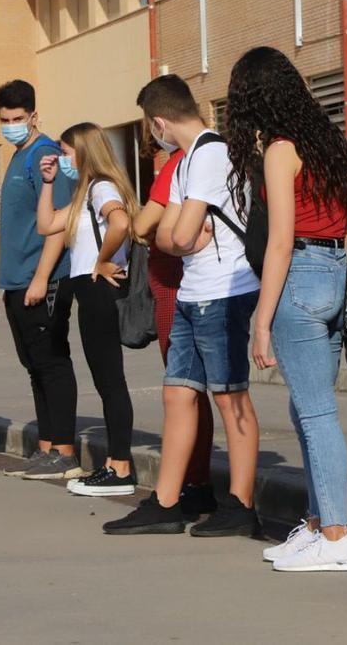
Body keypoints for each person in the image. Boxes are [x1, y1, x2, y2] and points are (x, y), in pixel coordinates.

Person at [103, 75, 262, 536]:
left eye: (150, 128)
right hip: (194, 291)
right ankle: (167, 502)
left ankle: (240, 504)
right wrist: (179, 239)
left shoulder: (211, 153)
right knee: (178, 393)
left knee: (230, 396)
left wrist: (178, 239)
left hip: (223, 291)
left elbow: (177, 233)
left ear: (159, 121)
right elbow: (169, 235)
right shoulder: (186, 159)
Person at [224, 46, 347, 572]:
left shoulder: (281, 149)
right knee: (309, 407)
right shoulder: (330, 142)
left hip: (298, 277)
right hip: (334, 274)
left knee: (316, 411)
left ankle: (335, 536)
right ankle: (314, 522)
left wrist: (262, 321)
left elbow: (280, 240)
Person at [35, 123, 139, 496]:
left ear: (82, 151)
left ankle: (120, 467)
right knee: (105, 380)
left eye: (65, 152)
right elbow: (46, 224)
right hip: (90, 291)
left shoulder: (101, 187)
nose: (62, 159)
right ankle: (115, 463)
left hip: (99, 290)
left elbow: (121, 222)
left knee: (110, 381)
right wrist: (47, 182)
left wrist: (102, 260)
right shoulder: (85, 191)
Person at [0, 80, 84, 481]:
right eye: (4, 119)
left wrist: (41, 278)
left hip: (41, 280)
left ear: (33, 115)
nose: (11, 124)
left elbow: (60, 224)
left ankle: (64, 450)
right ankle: (47, 447)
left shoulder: (45, 155)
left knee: (51, 362)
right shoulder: (19, 155)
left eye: (18, 118)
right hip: (18, 280)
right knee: (34, 364)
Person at [133, 141, 218, 520]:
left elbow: (141, 224)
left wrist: (153, 232)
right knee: (193, 390)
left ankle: (194, 483)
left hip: (176, 280)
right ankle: (194, 482)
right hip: (182, 279)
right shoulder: (188, 159)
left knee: (185, 388)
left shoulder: (182, 161)